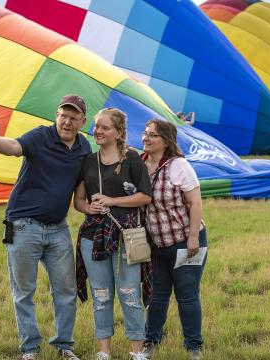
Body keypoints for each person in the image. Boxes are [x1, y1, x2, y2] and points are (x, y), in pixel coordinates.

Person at [0, 94, 91, 360]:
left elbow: (81, 192)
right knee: (24, 291)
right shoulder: (41, 136)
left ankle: (64, 345)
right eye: (64, 115)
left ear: (82, 122)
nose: (67, 122)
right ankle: (30, 349)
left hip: (58, 228)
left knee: (66, 289)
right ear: (56, 115)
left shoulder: (84, 148)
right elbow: (13, 147)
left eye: (74, 118)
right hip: (23, 226)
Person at [73, 108, 153, 360]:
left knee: (129, 294)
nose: (98, 131)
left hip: (125, 236)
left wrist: (112, 199)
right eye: (96, 126)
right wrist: (89, 207)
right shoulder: (87, 160)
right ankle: (103, 351)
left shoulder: (131, 158)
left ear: (118, 133)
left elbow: (145, 196)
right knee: (101, 295)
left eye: (105, 127)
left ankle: (137, 352)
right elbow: (79, 200)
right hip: (92, 237)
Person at [140, 120, 206, 360]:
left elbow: (195, 203)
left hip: (184, 241)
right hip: (156, 245)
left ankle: (194, 346)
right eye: (145, 134)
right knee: (157, 295)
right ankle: (151, 341)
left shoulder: (179, 166)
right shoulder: (140, 163)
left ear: (166, 141)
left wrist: (192, 238)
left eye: (153, 136)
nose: (146, 138)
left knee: (186, 294)